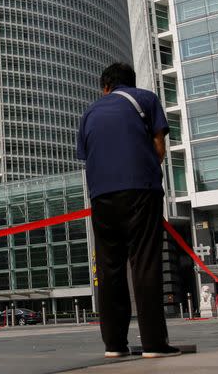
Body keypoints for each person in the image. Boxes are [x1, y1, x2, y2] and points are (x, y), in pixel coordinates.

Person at [77, 62, 180, 359]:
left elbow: (89, 155)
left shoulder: (89, 113)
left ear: (105, 87)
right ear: (130, 84)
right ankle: (153, 344)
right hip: (141, 190)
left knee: (109, 269)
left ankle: (114, 345)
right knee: (145, 263)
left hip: (101, 197)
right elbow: (159, 145)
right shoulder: (145, 99)